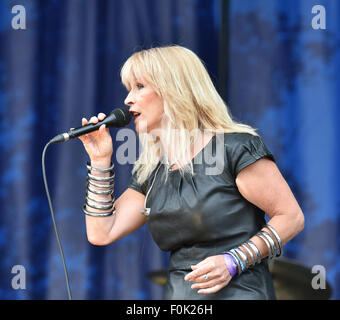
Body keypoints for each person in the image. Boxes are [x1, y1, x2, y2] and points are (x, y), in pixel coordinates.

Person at [78, 45, 304, 300]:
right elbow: (101, 232)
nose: (128, 99)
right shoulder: (152, 171)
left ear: (174, 89)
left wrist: (234, 261)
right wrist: (99, 160)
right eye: (129, 88)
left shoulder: (235, 148)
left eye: (140, 86)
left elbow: (291, 217)